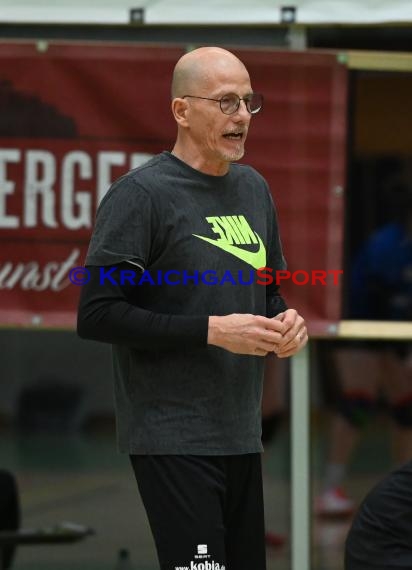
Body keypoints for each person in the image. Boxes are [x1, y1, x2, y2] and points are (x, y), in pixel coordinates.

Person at [77, 46, 307, 570]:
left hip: (240, 434)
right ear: (182, 110)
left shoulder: (254, 189)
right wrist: (211, 331)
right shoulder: (141, 195)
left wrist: (286, 321)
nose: (242, 116)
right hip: (172, 435)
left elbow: (268, 292)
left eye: (249, 102)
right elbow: (98, 314)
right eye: (227, 102)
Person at [316, 184, 412, 517]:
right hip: (358, 327)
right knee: (358, 403)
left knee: (406, 409)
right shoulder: (386, 246)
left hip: (394, 333)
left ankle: (403, 490)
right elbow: (368, 300)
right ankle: (330, 488)